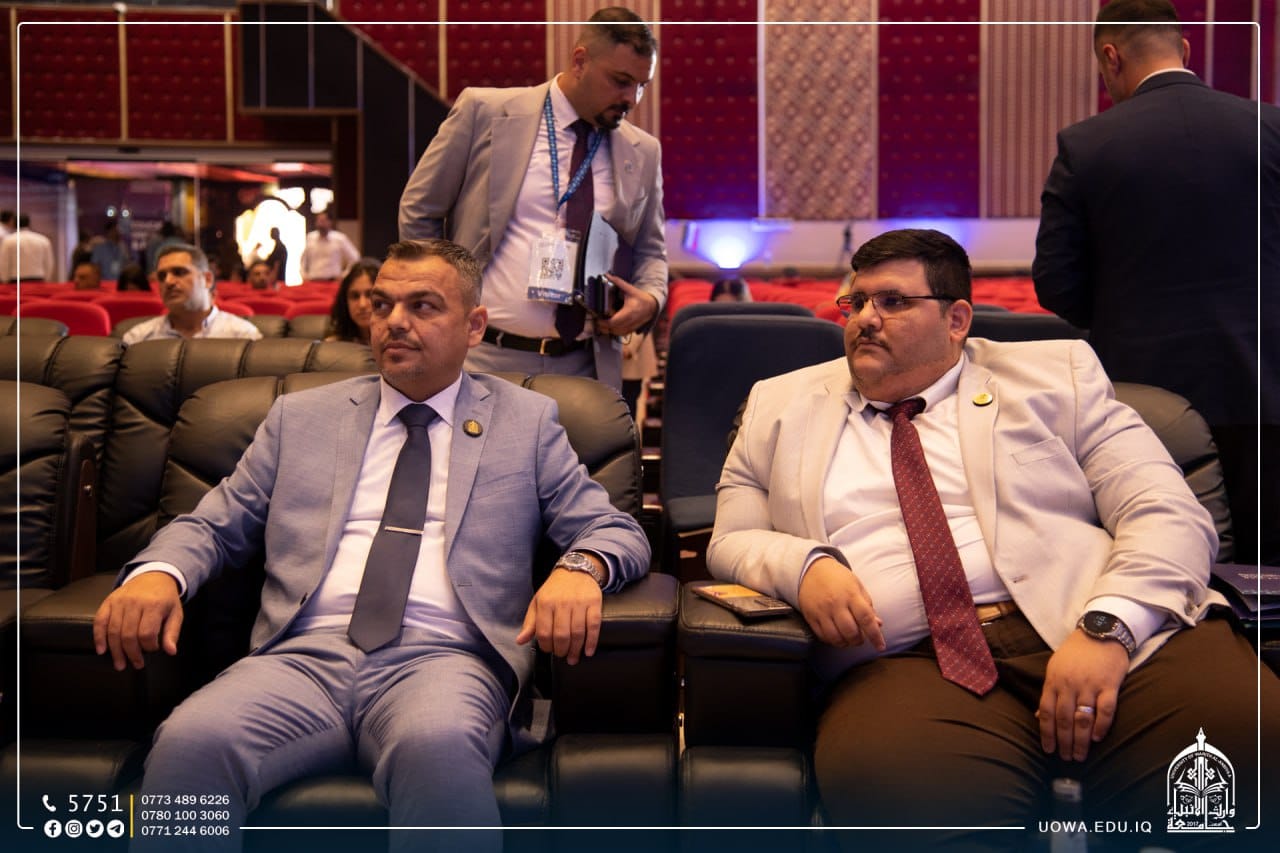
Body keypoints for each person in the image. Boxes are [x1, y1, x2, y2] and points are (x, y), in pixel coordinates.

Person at [707, 228, 1278, 850]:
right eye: (857, 301)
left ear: (957, 320)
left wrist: (1109, 629)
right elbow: (733, 537)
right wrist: (803, 564)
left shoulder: (1058, 376)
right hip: (909, 662)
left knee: (1251, 745)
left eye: (893, 302)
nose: (865, 318)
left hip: (1101, 627)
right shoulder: (778, 405)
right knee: (901, 799)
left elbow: (1165, 510)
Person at [93, 238, 650, 852]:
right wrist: (159, 572)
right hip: (299, 660)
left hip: (445, 661)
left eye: (422, 306)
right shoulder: (300, 418)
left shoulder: (526, 422)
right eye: (382, 305)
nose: (394, 322)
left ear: (474, 326)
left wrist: (580, 567)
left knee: (437, 748)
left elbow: (613, 529)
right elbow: (213, 523)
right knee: (189, 743)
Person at [1032, 0, 1280, 565]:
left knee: (1164, 560)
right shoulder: (1271, 128)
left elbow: (1055, 282)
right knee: (1269, 567)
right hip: (1266, 384)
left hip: (1146, 398)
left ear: (1110, 57)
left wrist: (1122, 313)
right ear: (1184, 49)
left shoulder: (1085, 144)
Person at [398, 6, 667, 392]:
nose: (631, 98)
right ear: (580, 61)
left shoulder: (643, 151)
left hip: (585, 365)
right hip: (483, 356)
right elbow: (419, 209)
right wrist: (437, 300)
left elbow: (651, 252)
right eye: (621, 81)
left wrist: (651, 300)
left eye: (642, 85)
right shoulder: (485, 112)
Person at [122, 243, 261, 345]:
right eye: (162, 276)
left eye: (179, 272)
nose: (168, 281)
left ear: (207, 279)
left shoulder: (243, 336)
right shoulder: (137, 339)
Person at [325, 257, 380, 344]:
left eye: (369, 295)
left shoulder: (397, 344)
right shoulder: (333, 345)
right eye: (355, 296)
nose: (362, 304)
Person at [300, 210, 360, 281]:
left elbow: (355, 258)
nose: (320, 224)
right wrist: (303, 274)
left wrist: (345, 275)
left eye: (323, 221)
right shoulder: (310, 237)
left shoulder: (339, 239)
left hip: (333, 281)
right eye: (319, 221)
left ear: (330, 222)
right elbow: (303, 259)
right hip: (313, 280)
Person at [0, 214, 56, 282]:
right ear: (29, 223)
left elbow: (4, 262)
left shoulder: (8, 240)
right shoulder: (43, 239)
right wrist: (47, 278)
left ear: (14, 223)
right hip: (38, 278)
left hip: (15, 279)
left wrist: (5, 279)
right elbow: (49, 262)